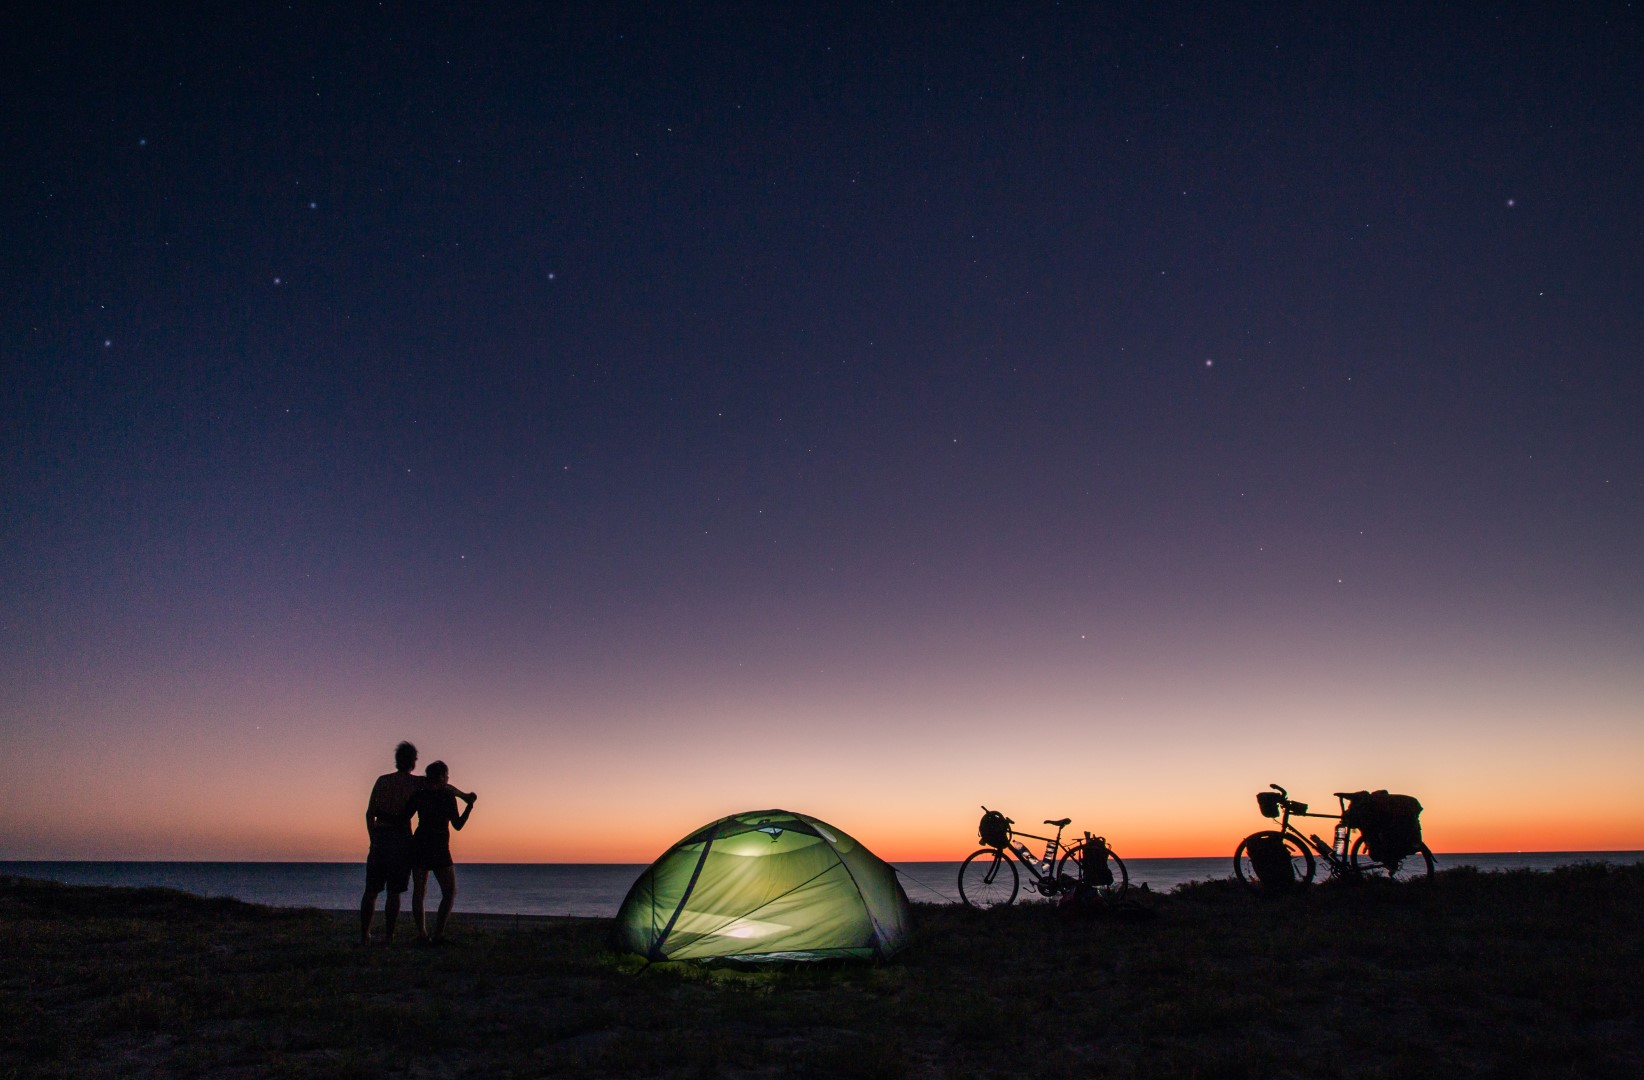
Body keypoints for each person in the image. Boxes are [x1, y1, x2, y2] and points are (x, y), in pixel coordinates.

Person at [360, 740, 422, 946]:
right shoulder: (416, 783)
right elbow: (443, 786)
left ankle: (364, 935)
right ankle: (388, 936)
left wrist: (373, 837)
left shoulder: (382, 781)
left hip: (381, 837)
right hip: (401, 839)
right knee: (393, 892)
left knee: (372, 890)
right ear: (412, 761)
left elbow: (370, 813)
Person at [407, 760, 476, 944]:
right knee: (449, 890)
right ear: (443, 777)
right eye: (446, 775)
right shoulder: (447, 796)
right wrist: (469, 806)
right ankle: (437, 934)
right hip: (438, 846)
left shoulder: (421, 794)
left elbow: (406, 815)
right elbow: (458, 825)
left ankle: (422, 933)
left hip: (420, 844)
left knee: (419, 891)